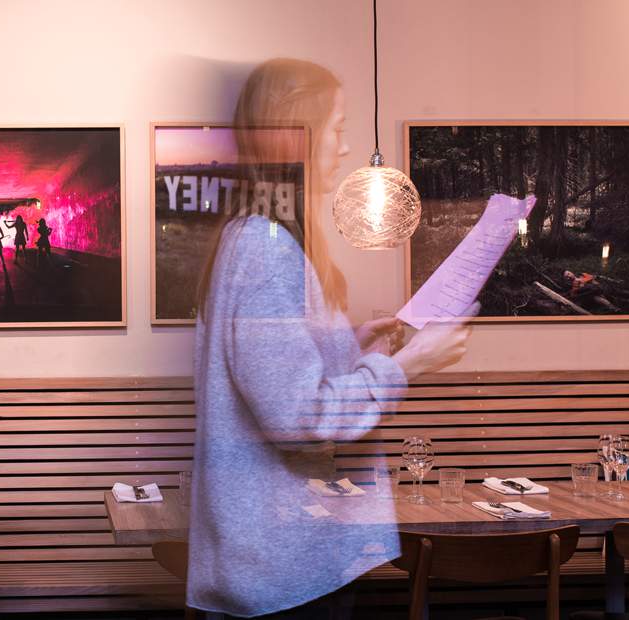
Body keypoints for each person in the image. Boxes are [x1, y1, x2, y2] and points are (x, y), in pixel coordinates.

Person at [188, 58, 473, 619]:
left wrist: (349, 345)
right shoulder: (266, 246)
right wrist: (408, 365)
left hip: (283, 557)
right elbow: (300, 418)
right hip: (282, 566)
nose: (344, 149)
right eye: (337, 129)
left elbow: (281, 377)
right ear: (295, 134)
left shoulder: (258, 237)